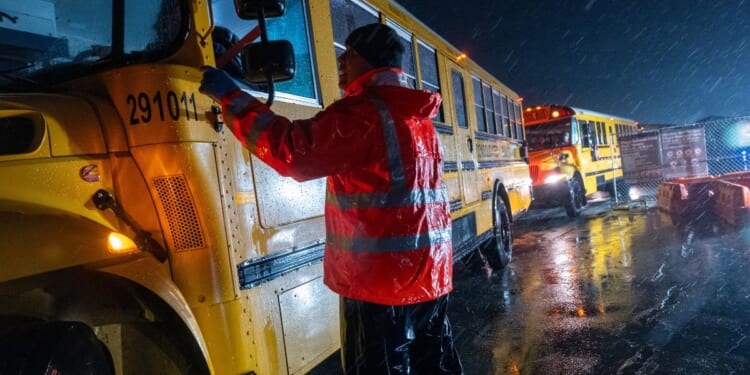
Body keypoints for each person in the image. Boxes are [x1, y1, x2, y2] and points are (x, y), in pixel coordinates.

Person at [199, 23, 463, 375]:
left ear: (369, 61)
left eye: (349, 54)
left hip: (379, 286)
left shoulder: (364, 114)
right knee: (434, 365)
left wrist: (231, 97)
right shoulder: (418, 118)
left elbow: (293, 151)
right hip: (432, 276)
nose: (340, 61)